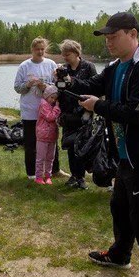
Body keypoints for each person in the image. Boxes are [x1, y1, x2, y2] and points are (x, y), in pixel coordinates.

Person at [65, 12, 139, 277]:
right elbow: (91, 85)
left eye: (113, 37)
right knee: (120, 205)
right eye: (106, 38)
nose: (108, 43)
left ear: (133, 34)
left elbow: (137, 112)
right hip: (127, 157)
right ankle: (119, 255)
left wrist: (99, 105)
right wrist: (63, 82)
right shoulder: (116, 67)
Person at [14, 37, 60, 179]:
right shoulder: (24, 66)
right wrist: (28, 85)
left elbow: (57, 86)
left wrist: (45, 87)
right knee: (31, 143)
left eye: (42, 49)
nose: (40, 52)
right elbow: (17, 88)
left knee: (52, 141)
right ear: (32, 49)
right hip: (30, 111)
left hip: (49, 112)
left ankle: (54, 170)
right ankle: (31, 173)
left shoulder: (51, 64)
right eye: (37, 49)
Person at [57, 39, 97, 189]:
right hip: (68, 113)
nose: (65, 57)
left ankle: (81, 178)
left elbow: (95, 88)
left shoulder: (88, 67)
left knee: (81, 145)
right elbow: (60, 90)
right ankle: (74, 175)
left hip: (84, 113)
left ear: (76, 53)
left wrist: (90, 110)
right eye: (63, 54)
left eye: (67, 54)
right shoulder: (64, 69)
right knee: (69, 145)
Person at [35, 86, 60, 185]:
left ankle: (48, 176)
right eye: (51, 97)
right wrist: (57, 108)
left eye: (55, 98)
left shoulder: (52, 106)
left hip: (52, 136)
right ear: (46, 96)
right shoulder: (43, 104)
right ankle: (38, 177)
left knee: (50, 157)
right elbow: (50, 117)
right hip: (43, 135)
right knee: (41, 158)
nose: (53, 100)